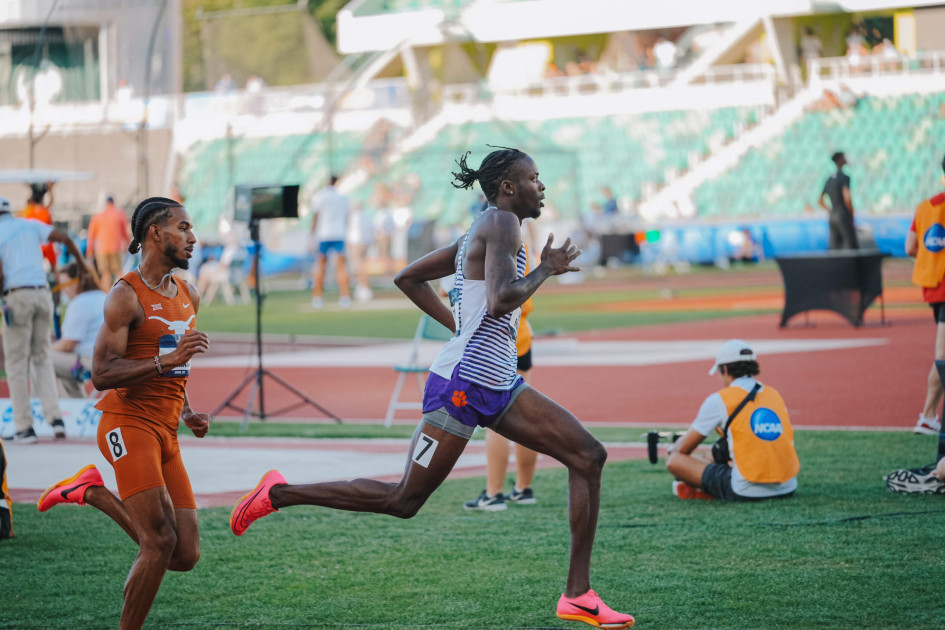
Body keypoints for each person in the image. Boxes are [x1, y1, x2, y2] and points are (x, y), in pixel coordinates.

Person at [230, 148, 635, 630]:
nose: (541, 187)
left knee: (588, 455)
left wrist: (460, 325)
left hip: (497, 380)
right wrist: (545, 269)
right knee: (404, 500)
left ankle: (578, 595)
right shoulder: (502, 224)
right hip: (463, 385)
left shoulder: (480, 231)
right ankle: (279, 493)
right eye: (534, 178)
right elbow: (505, 298)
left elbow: (409, 277)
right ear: (508, 187)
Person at [36, 197, 211, 630]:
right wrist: (163, 365)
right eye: (183, 228)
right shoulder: (124, 295)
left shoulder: (189, 293)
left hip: (165, 431)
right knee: (158, 541)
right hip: (126, 424)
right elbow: (100, 373)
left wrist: (186, 410)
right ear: (156, 233)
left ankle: (92, 492)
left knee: (184, 553)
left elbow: (176, 362)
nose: (192, 238)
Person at [1, 196, 89, 443]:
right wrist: (81, 264)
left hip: (17, 294)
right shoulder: (28, 224)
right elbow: (65, 238)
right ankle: (56, 419)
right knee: (42, 357)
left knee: (17, 363)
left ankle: (24, 427)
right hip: (42, 294)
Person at [666, 339, 800, 502]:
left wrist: (675, 446)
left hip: (746, 490)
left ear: (725, 369)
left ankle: (705, 490)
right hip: (788, 486)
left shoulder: (720, 399)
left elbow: (683, 450)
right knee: (710, 457)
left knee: (674, 460)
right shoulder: (774, 395)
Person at [464, 243, 538, 511]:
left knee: (497, 420)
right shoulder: (520, 244)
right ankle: (524, 487)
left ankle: (494, 492)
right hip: (521, 337)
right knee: (524, 416)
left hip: (496, 342)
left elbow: (454, 291)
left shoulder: (485, 243)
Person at [906, 153, 945, 436]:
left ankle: (929, 415)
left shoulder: (925, 207)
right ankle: (929, 415)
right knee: (943, 355)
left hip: (933, 288)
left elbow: (910, 247)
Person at [50, 261, 106, 398]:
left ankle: (39, 407)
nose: (63, 289)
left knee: (40, 359)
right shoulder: (102, 296)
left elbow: (68, 344)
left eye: (65, 284)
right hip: (107, 360)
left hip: (90, 361)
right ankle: (75, 404)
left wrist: (46, 349)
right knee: (63, 363)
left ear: (79, 281)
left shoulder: (80, 302)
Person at [309, 175, 352, 308]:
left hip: (324, 235)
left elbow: (316, 217)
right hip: (339, 234)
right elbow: (347, 218)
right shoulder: (343, 198)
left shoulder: (319, 196)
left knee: (320, 266)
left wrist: (312, 236)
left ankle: (317, 297)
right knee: (341, 267)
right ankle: (344, 296)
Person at [86, 195, 131, 290]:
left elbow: (91, 234)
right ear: (113, 203)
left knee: (105, 275)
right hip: (116, 248)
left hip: (102, 249)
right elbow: (125, 232)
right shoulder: (119, 214)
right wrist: (128, 245)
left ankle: (105, 296)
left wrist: (90, 250)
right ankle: (120, 293)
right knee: (119, 273)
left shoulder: (97, 216)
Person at [818, 151, 859, 250]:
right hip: (843, 215)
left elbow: (820, 201)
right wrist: (851, 213)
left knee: (835, 248)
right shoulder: (844, 178)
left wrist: (831, 211)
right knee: (852, 246)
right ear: (840, 160)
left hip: (832, 216)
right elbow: (847, 198)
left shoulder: (829, 179)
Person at [19, 182, 57, 272]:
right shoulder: (43, 210)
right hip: (45, 244)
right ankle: (58, 282)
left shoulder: (28, 212)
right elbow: (51, 202)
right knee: (54, 267)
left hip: (36, 244)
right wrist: (51, 189)